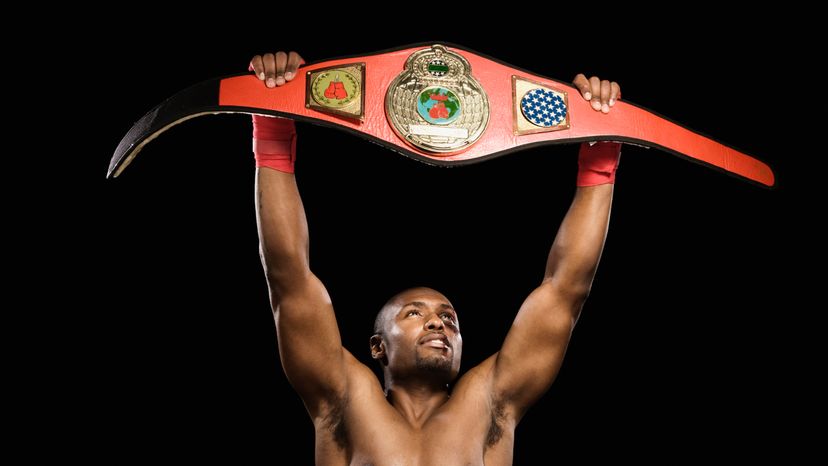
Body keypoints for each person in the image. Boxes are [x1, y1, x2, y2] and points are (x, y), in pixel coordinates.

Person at [248, 50, 622, 465]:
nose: (437, 322)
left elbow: (566, 290)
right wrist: (273, 121)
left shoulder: (490, 403)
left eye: (449, 318)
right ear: (377, 347)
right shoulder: (344, 400)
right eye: (413, 313)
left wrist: (600, 153)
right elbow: (289, 278)